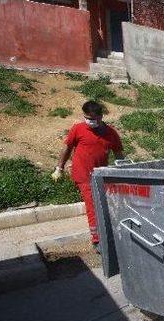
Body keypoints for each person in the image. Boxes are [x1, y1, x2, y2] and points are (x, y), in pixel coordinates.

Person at [52, 101, 124, 250]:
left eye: (93, 118)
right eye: (87, 118)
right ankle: (98, 240)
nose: (90, 122)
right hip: (83, 174)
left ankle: (107, 234)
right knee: (93, 206)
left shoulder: (111, 133)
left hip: (102, 175)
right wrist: (59, 168)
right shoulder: (78, 129)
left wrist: (124, 172)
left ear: (101, 116)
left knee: (105, 205)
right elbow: (67, 148)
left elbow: (118, 154)